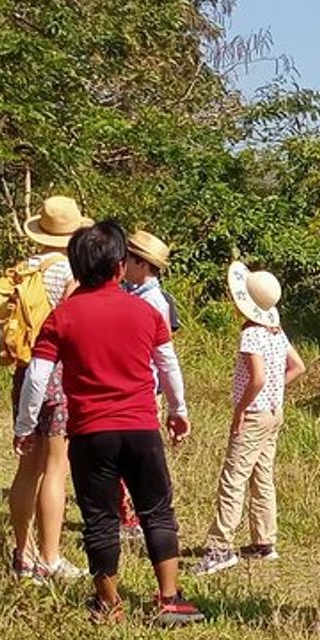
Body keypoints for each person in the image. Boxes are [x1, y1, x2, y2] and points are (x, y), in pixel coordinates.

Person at [15, 220, 204, 626]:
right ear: (120, 266)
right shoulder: (145, 311)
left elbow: (37, 376)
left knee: (99, 518)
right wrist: (178, 410)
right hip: (140, 427)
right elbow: (167, 365)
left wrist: (25, 425)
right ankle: (169, 599)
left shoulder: (61, 317)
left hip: (89, 433)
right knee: (157, 510)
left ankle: (109, 604)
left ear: (76, 268)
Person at [193, 263, 306, 575]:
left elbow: (256, 378)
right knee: (262, 474)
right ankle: (264, 542)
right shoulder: (275, 331)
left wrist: (240, 409)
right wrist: (275, 387)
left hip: (256, 414)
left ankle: (220, 547)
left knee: (233, 478)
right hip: (274, 412)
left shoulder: (252, 333)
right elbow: (298, 366)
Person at [8, 195, 91, 582]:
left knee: (27, 466)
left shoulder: (22, 270)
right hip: (57, 375)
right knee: (56, 468)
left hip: (24, 372)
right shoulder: (71, 273)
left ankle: (21, 553)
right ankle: (50, 557)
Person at [119, 229, 175, 542]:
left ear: (142, 265)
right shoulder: (134, 293)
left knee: (136, 456)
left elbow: (161, 351)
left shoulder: (153, 301)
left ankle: (133, 518)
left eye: (128, 258)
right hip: (140, 383)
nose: (122, 263)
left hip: (144, 386)